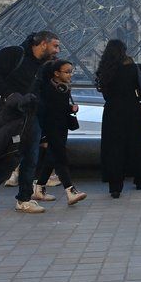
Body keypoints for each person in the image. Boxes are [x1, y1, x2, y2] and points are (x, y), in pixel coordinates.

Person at [0, 31, 61, 212]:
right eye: (55, 45)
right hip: (9, 114)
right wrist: (9, 94)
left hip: (30, 114)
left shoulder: (43, 66)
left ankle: (24, 199)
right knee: (13, 154)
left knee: (31, 156)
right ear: (43, 44)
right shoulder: (14, 53)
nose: (58, 50)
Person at [95, 39, 141, 198]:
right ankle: (138, 178)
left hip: (112, 111)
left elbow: (104, 93)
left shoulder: (104, 70)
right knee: (135, 143)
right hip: (132, 109)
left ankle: (115, 186)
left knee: (113, 147)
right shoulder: (134, 68)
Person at [32, 59, 86, 205]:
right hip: (51, 128)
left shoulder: (62, 88)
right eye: (67, 72)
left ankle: (39, 188)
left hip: (61, 127)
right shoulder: (46, 89)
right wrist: (42, 136)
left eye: (71, 71)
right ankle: (70, 190)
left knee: (52, 157)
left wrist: (71, 108)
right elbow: (42, 111)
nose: (70, 75)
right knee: (60, 158)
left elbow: (59, 108)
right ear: (56, 73)